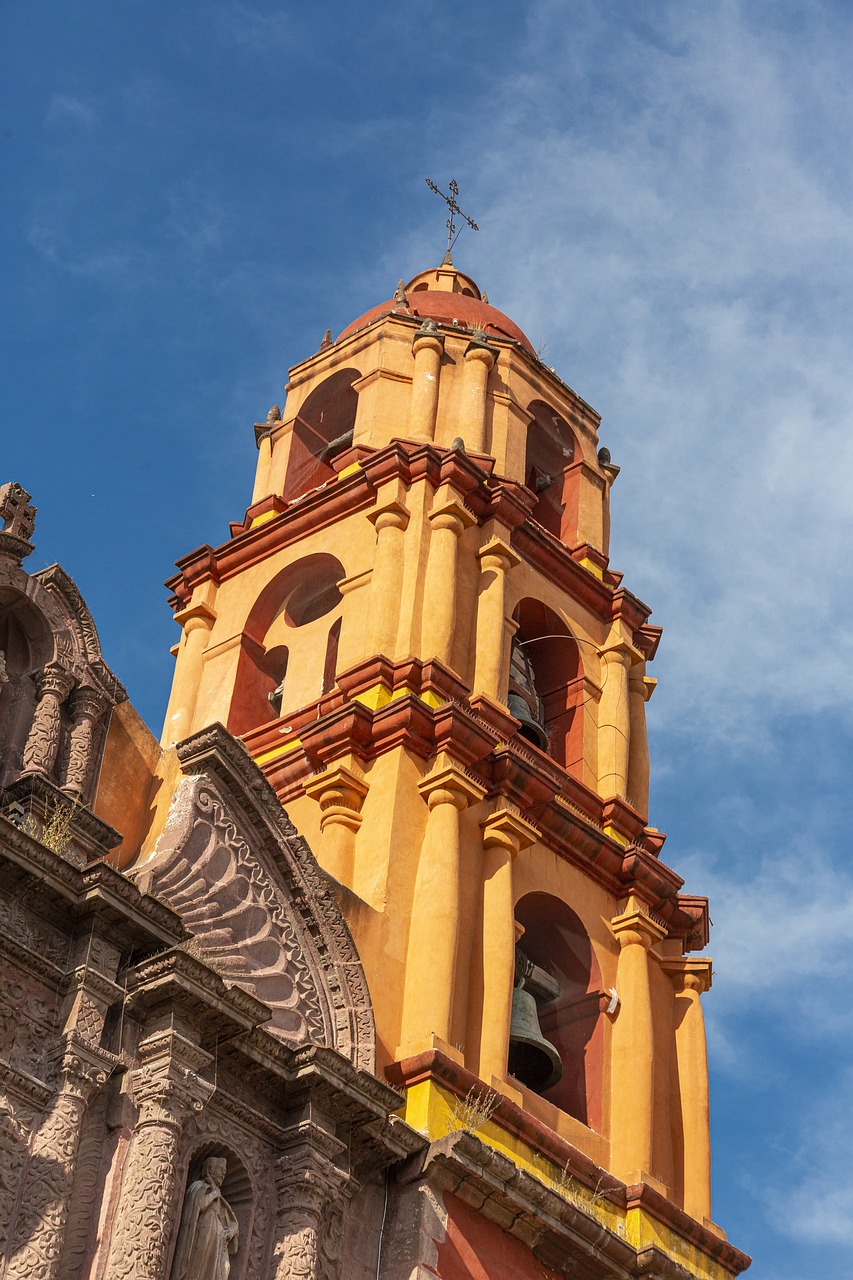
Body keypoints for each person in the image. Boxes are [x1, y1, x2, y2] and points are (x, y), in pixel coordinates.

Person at [170, 1156, 239, 1280]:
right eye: (220, 1169)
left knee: (221, 1269)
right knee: (198, 1265)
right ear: (210, 1170)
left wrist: (231, 1231)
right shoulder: (199, 1186)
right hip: (201, 1233)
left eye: (224, 1171)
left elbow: (231, 1221)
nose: (223, 1173)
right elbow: (198, 1206)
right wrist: (213, 1194)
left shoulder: (220, 1197)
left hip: (218, 1240)